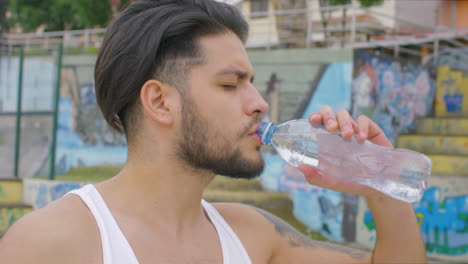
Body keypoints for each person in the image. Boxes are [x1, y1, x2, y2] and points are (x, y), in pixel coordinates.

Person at [0, 0, 426, 263]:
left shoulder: (253, 234)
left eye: (252, 82)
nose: (259, 102)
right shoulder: (51, 242)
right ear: (160, 102)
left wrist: (379, 181)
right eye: (230, 84)